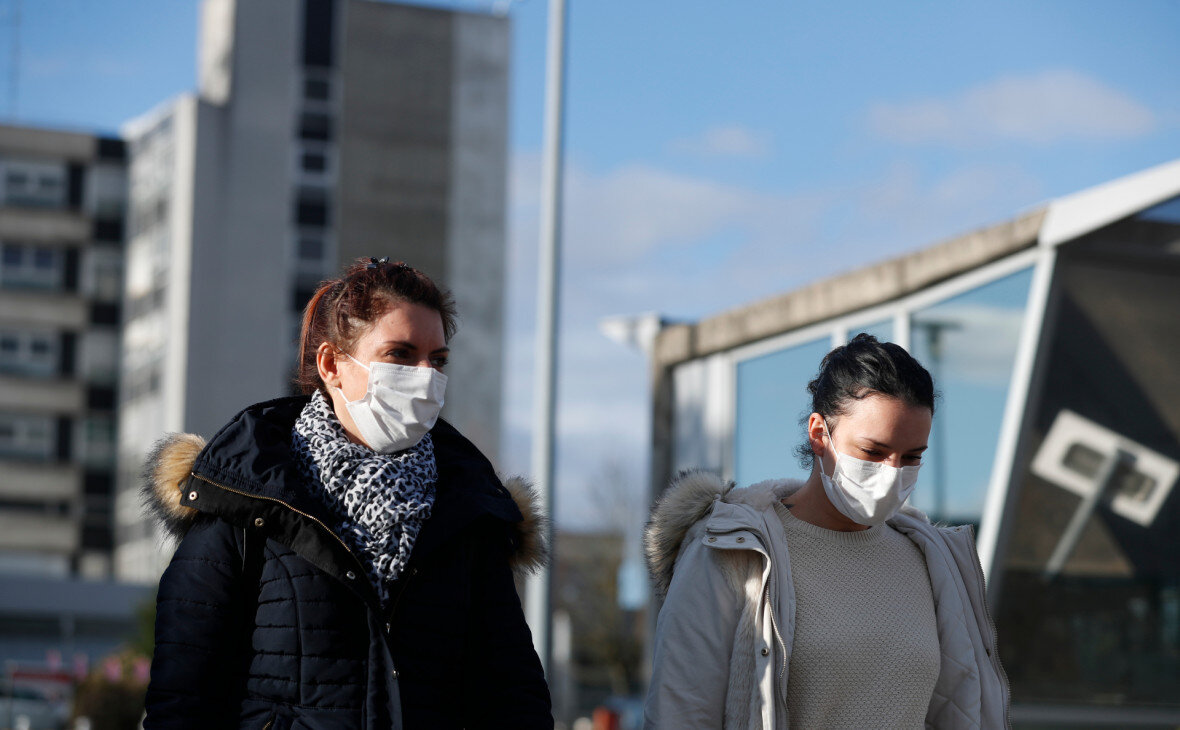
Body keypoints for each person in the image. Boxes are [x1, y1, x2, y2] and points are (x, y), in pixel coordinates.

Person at [142, 258, 553, 729]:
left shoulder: (470, 513)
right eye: (400, 354)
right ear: (331, 364)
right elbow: (183, 700)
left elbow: (513, 698)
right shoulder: (242, 501)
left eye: (438, 360)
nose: (426, 376)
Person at [643, 333, 1008, 729]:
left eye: (911, 457)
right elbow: (678, 714)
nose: (892, 472)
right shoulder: (732, 551)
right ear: (819, 434)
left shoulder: (932, 560)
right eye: (873, 452)